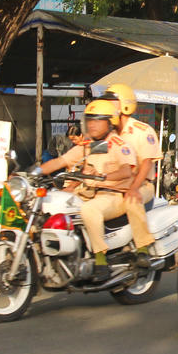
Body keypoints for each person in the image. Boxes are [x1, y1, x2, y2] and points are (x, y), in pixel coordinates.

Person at [32, 100, 136, 280]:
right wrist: (35, 171)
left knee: (89, 210)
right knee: (53, 202)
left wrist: (103, 176)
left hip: (113, 195)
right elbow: (61, 161)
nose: (92, 124)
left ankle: (101, 260)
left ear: (109, 122)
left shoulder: (119, 144)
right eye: (89, 120)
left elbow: (127, 170)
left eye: (97, 120)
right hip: (88, 193)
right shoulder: (88, 146)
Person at [102, 83, 162, 268]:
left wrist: (134, 188)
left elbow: (146, 163)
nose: (107, 106)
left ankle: (143, 248)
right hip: (114, 186)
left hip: (142, 186)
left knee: (132, 199)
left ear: (124, 105)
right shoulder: (107, 134)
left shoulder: (142, 131)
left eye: (112, 102)